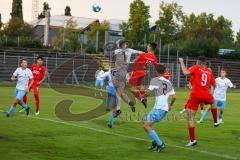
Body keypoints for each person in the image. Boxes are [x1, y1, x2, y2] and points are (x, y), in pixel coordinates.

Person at [179, 56, 220, 147]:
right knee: (213, 102)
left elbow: (185, 72)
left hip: (195, 95)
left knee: (190, 118)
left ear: (199, 62)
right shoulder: (209, 71)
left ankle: (192, 140)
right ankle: (216, 121)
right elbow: (214, 84)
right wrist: (211, 91)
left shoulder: (196, 67)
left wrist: (181, 62)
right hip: (206, 94)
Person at [143, 64, 176, 152]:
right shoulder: (168, 82)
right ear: (164, 72)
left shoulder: (155, 80)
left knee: (146, 126)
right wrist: (171, 106)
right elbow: (174, 97)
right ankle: (155, 143)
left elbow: (147, 92)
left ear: (157, 72)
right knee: (146, 121)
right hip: (161, 108)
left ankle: (160, 144)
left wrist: (142, 96)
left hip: (159, 109)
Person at [112, 39, 142, 112]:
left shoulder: (117, 51)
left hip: (120, 72)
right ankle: (130, 102)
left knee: (118, 92)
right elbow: (140, 52)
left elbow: (117, 53)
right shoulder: (129, 50)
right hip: (125, 72)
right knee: (121, 92)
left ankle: (118, 109)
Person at [128, 42, 158, 108]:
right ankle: (143, 97)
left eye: (148, 46)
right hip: (144, 72)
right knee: (139, 86)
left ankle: (142, 97)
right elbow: (156, 67)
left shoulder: (144, 55)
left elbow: (136, 61)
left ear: (150, 47)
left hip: (137, 72)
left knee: (130, 88)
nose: (147, 47)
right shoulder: (154, 58)